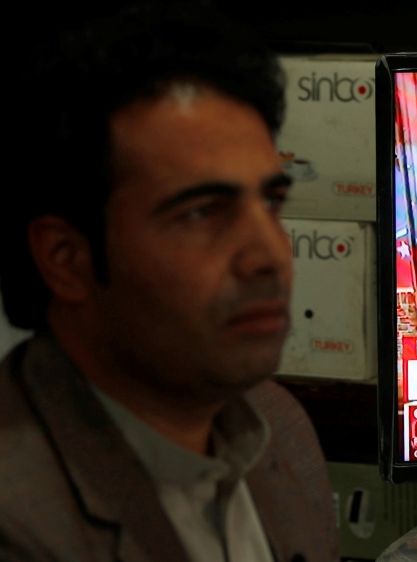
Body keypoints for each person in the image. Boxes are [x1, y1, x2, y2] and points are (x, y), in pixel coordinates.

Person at [0, 3, 339, 561]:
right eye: (202, 213)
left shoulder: (279, 428)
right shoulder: (17, 520)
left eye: (271, 202)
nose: (270, 255)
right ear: (65, 257)